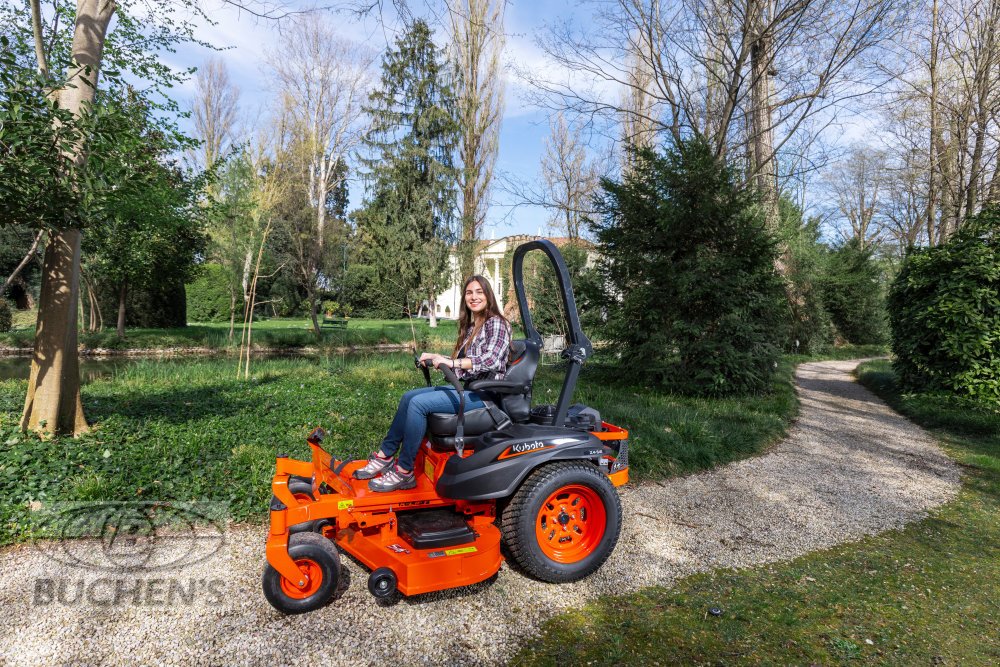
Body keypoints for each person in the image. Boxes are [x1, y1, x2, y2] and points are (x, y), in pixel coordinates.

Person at [355, 275, 512, 492]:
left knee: (420, 404)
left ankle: (404, 472)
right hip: (468, 388)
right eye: (469, 293)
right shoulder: (472, 326)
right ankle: (385, 455)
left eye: (479, 292)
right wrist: (435, 358)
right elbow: (461, 366)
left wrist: (451, 361)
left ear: (488, 295)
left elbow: (491, 360)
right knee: (409, 397)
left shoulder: (497, 323)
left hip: (485, 396)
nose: (474, 297)